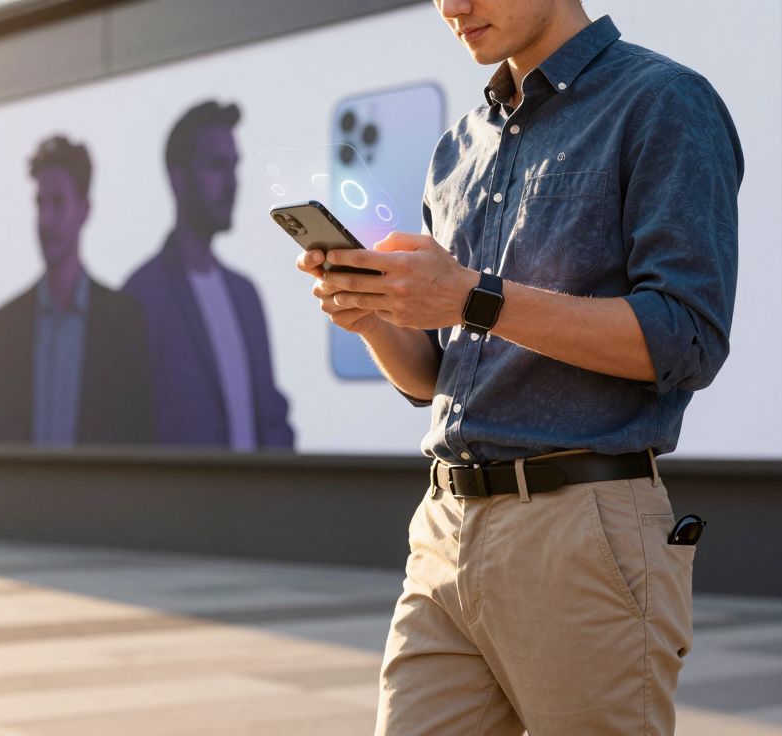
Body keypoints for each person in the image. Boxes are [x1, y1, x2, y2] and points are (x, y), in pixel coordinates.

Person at [296, 1, 743, 734]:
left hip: (580, 533)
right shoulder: (457, 148)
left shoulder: (662, 102)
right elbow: (435, 378)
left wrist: (472, 296)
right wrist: (370, 314)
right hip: (443, 529)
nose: (454, 8)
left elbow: (686, 339)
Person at [124, 101, 294, 450]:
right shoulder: (140, 296)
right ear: (179, 178)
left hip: (256, 502)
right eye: (217, 166)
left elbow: (271, 419)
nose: (232, 183)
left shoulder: (245, 296)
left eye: (235, 166)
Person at [0, 135, 155, 446]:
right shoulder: (6, 325)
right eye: (40, 204)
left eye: (58, 203)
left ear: (84, 210)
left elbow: (141, 447)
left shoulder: (124, 322)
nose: (45, 220)